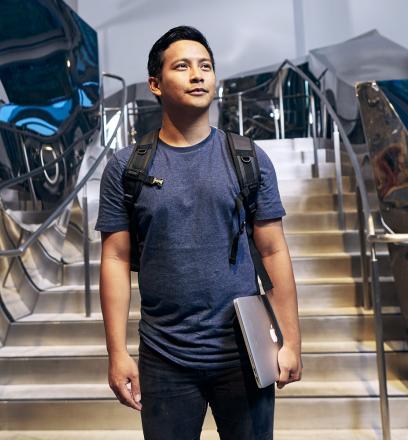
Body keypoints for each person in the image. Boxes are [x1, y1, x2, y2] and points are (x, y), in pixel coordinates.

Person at [95, 25, 302, 440]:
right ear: (155, 84)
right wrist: (117, 354)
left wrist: (291, 340)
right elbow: (116, 259)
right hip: (164, 355)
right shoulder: (127, 167)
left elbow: (274, 250)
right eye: (183, 66)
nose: (197, 75)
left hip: (244, 352)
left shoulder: (248, 158)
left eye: (205, 66)